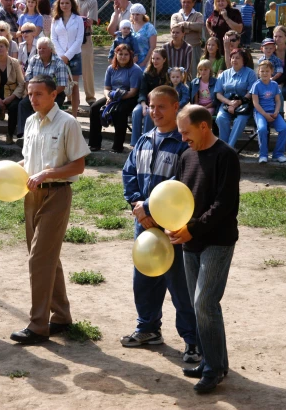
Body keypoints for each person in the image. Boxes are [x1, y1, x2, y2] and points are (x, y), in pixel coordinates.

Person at [10, 74, 90, 344]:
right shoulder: (31, 122)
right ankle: (61, 317)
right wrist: (13, 171)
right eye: (30, 94)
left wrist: (47, 173)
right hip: (31, 196)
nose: (32, 99)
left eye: (38, 94)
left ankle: (38, 325)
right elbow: (30, 158)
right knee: (47, 258)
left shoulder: (67, 123)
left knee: (39, 259)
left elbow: (78, 166)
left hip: (57, 194)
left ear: (53, 95)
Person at [121, 85, 200, 363]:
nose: (155, 112)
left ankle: (193, 341)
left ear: (176, 106)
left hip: (173, 229)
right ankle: (148, 328)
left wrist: (154, 210)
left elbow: (185, 186)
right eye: (151, 107)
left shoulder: (184, 146)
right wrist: (136, 205)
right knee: (144, 279)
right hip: (144, 226)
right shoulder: (143, 140)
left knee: (181, 286)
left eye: (161, 107)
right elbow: (129, 173)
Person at [172, 104, 240, 394]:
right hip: (190, 240)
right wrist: (171, 222)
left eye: (186, 132)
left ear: (204, 126)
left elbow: (225, 205)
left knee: (204, 303)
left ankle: (212, 370)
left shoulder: (226, 156)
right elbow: (177, 196)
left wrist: (193, 227)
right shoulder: (186, 155)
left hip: (217, 240)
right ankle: (214, 361)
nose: (183, 138)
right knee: (200, 307)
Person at [89, 43, 142, 153]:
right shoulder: (111, 69)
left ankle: (118, 146)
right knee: (94, 108)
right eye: (120, 54)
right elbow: (106, 88)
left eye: (126, 54)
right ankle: (94, 144)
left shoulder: (135, 70)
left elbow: (133, 92)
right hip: (112, 96)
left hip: (128, 97)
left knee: (120, 111)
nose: (123, 57)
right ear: (116, 55)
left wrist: (117, 98)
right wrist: (108, 97)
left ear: (130, 56)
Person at [16, 36, 68, 141]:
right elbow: (27, 79)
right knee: (23, 104)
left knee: (48, 108)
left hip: (54, 93)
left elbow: (62, 85)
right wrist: (31, 93)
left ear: (51, 49)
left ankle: (48, 135)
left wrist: (47, 96)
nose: (41, 50)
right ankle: (24, 134)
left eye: (44, 48)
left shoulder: (59, 62)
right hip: (35, 92)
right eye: (39, 48)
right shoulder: (34, 60)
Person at [215, 48, 257, 147]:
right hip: (226, 104)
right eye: (232, 58)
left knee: (240, 120)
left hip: (244, 105)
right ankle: (224, 146)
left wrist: (238, 103)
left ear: (244, 60)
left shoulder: (250, 73)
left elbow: (251, 92)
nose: (234, 60)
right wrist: (229, 103)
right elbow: (218, 93)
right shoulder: (224, 74)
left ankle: (229, 147)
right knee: (220, 118)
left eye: (237, 58)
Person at [251, 60, 286, 163]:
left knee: (284, 129)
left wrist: (276, 111)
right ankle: (263, 154)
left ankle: (278, 154)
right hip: (260, 113)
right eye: (262, 71)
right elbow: (255, 103)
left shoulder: (274, 85)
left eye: (267, 71)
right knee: (262, 129)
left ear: (271, 72)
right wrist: (265, 115)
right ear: (259, 72)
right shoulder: (256, 85)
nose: (264, 73)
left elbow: (277, 101)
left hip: (273, 112)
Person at [131, 48, 170, 147]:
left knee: (150, 113)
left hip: (161, 103)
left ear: (164, 59)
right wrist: (143, 105)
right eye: (153, 58)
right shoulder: (147, 73)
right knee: (136, 111)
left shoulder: (168, 74)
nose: (155, 61)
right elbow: (142, 92)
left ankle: (147, 141)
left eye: (158, 59)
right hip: (147, 102)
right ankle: (135, 143)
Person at [51, 0, 84, 118]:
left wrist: (67, 56)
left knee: (74, 87)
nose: (64, 5)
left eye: (67, 3)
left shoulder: (78, 19)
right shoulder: (55, 19)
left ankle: (74, 117)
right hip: (59, 56)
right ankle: (55, 115)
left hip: (74, 55)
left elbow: (79, 39)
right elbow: (53, 38)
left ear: (72, 5)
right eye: (62, 3)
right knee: (59, 85)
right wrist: (61, 55)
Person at [170, 0, 203, 79]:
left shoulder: (198, 15)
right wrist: (191, 28)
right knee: (177, 71)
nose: (186, 4)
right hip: (178, 48)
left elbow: (199, 27)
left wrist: (184, 24)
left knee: (193, 72)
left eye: (188, 2)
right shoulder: (175, 16)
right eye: (184, 2)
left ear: (193, 3)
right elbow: (174, 27)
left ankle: (193, 90)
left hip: (193, 47)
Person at [78, 0, 98, 104]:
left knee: (87, 69)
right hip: (70, 38)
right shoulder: (69, 1)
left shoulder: (91, 1)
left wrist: (74, 20)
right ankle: (69, 97)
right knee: (68, 69)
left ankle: (90, 97)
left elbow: (89, 21)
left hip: (85, 38)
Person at [129, 4, 156, 71]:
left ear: (143, 15)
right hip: (129, 61)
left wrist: (145, 62)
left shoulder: (149, 27)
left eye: (137, 14)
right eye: (133, 14)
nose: (135, 17)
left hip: (144, 61)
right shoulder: (128, 26)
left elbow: (152, 47)